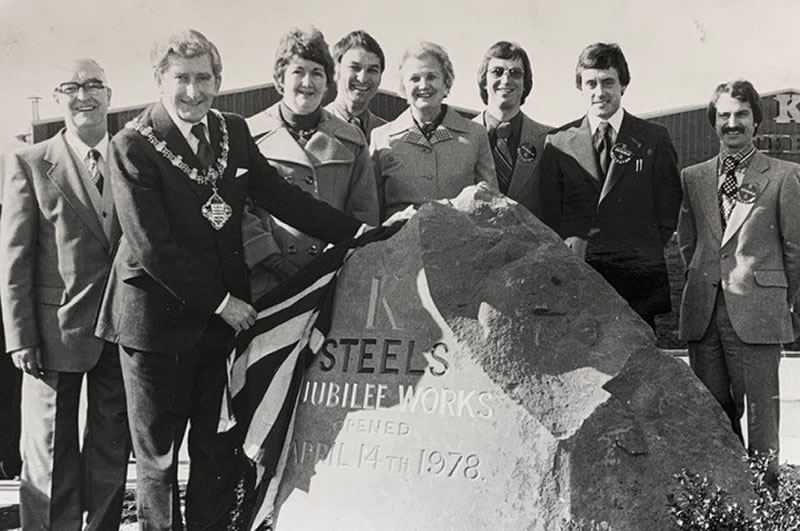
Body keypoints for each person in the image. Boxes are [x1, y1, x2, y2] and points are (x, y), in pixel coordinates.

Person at [94, 29, 364, 530]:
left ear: (219, 80)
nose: (193, 92)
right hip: (154, 326)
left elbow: (287, 200)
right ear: (160, 81)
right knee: (158, 461)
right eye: (181, 79)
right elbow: (154, 247)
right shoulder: (131, 145)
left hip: (219, 329)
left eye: (204, 78)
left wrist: (363, 232)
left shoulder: (232, 132)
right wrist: (222, 303)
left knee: (216, 449)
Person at [0, 58, 130, 530]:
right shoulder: (31, 162)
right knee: (49, 455)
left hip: (121, 329)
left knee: (111, 452)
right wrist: (20, 337)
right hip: (52, 334)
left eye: (94, 84)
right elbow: (15, 257)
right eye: (71, 87)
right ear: (57, 99)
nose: (84, 95)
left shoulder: (132, 159)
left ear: (109, 95)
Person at [678, 80, 800, 487]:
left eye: (741, 114)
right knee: (711, 417)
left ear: (756, 121)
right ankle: (722, 501)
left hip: (758, 313)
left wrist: (782, 300)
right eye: (725, 115)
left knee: (762, 422)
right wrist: (701, 280)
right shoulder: (693, 177)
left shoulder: (784, 175)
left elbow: (795, 249)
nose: (733, 123)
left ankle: (764, 507)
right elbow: (688, 242)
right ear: (714, 122)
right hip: (704, 314)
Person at [535, 42, 681, 328]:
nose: (599, 92)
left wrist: (637, 249)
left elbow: (668, 209)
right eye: (591, 83)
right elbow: (549, 213)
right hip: (578, 277)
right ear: (581, 86)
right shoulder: (558, 142)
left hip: (637, 280)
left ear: (623, 85)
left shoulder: (654, 138)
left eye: (608, 82)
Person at [242, 26, 379, 300]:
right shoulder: (247, 134)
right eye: (298, 71)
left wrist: (340, 261)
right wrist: (272, 261)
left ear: (328, 81)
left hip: (331, 281)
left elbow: (364, 213)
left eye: (317, 73)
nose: (308, 82)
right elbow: (238, 213)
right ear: (280, 78)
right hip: (265, 280)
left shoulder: (351, 139)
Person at [370, 40, 496, 221]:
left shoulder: (476, 134)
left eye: (431, 77)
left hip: (461, 244)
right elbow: (371, 211)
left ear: (446, 83)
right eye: (415, 78)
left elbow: (491, 203)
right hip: (398, 244)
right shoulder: (380, 137)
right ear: (403, 87)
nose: (423, 85)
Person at [473, 41, 550, 213]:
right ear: (484, 80)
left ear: (525, 83)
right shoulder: (461, 138)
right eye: (497, 72)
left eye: (515, 73)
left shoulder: (548, 140)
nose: (506, 80)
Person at [326, 29, 387, 140]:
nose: (362, 78)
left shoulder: (388, 135)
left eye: (372, 70)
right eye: (354, 67)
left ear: (380, 77)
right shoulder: (314, 126)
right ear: (336, 71)